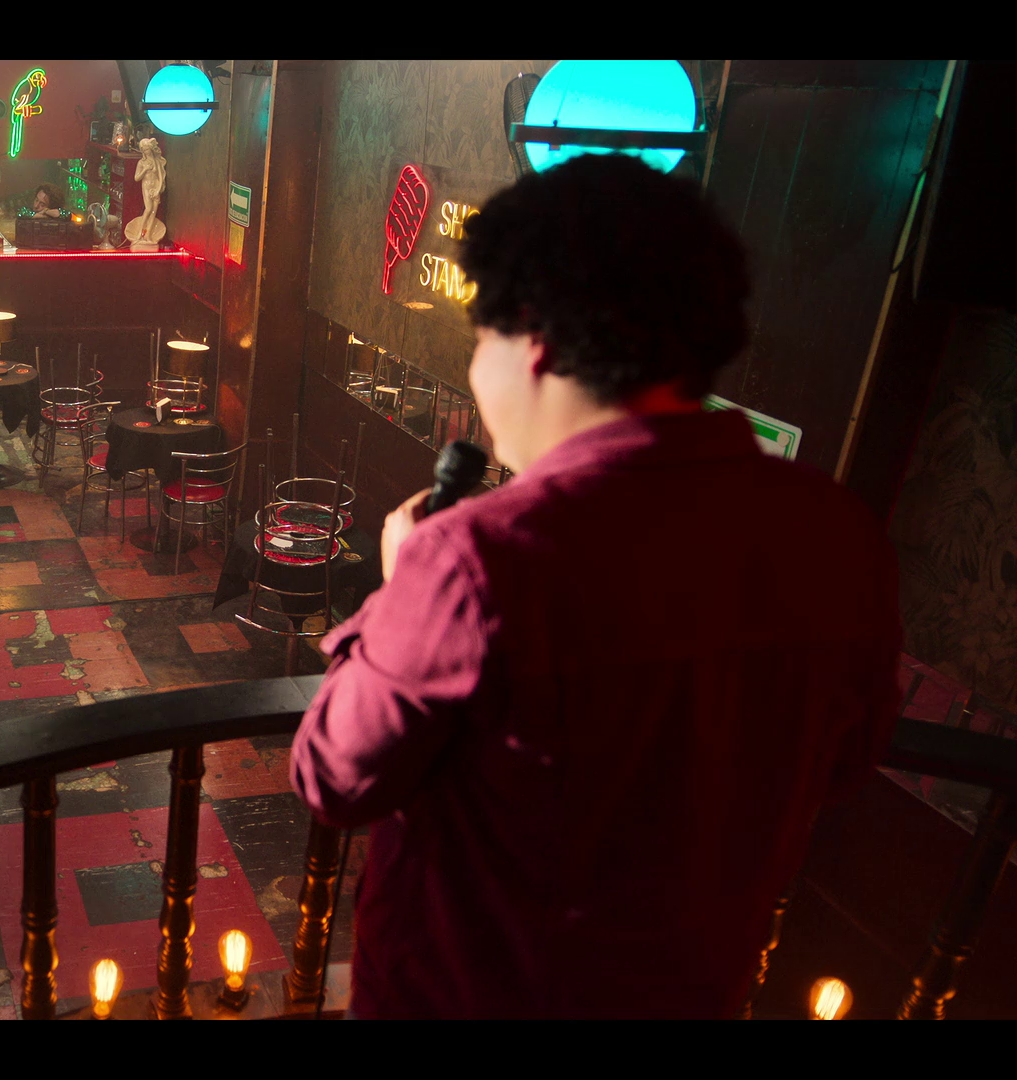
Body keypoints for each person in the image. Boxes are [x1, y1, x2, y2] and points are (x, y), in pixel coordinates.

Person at [288, 154, 900, 1019]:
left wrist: (401, 591)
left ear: (532, 338)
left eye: (479, 340)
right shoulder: (836, 532)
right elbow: (845, 762)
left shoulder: (475, 561)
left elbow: (333, 775)